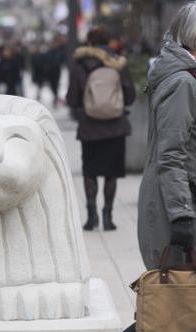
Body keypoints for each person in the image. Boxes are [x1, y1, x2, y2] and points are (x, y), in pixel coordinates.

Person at [86, 2, 196, 332]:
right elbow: (171, 155)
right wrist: (183, 216)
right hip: (179, 205)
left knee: (189, 297)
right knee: (178, 296)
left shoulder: (184, 76)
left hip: (182, 199)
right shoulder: (183, 82)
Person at [66, 25, 135, 231]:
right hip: (116, 127)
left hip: (90, 127)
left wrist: (84, 109)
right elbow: (130, 97)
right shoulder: (119, 64)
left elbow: (71, 98)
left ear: (89, 42)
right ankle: (108, 216)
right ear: (110, 42)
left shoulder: (80, 65)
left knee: (90, 171)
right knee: (111, 173)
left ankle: (91, 216)